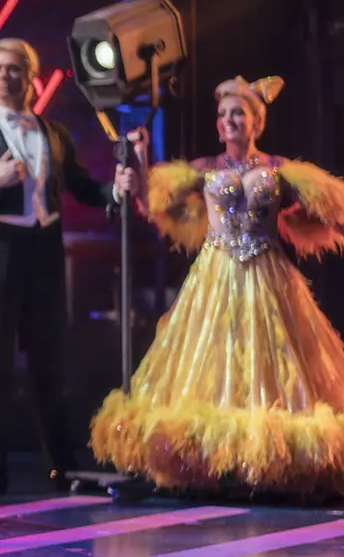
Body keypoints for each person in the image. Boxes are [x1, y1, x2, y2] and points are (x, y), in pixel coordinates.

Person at [91, 75, 344, 496]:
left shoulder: (278, 168)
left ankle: (266, 462)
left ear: (255, 122)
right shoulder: (205, 168)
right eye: (224, 114)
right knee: (213, 363)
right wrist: (140, 160)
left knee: (272, 366)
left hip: (268, 274)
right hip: (214, 277)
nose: (230, 121)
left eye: (238, 113)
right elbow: (155, 205)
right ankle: (215, 462)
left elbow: (328, 208)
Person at [0, 38, 135, 495]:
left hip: (44, 250)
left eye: (16, 68)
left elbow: (84, 188)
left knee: (50, 364)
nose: (6, 75)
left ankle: (61, 467)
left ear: (31, 76)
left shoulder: (53, 133)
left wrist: (116, 191)